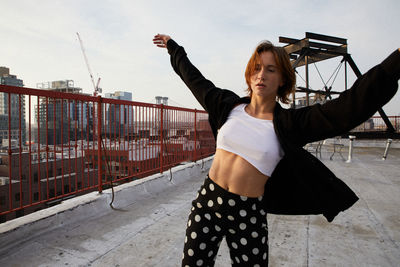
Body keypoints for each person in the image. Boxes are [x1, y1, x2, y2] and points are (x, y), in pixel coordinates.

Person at [153, 33, 400, 267]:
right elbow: (194, 79)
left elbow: (347, 107)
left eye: (271, 70)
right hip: (207, 202)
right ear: (250, 75)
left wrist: (396, 61)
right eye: (257, 68)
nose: (262, 75)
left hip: (247, 212)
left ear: (282, 79)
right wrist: (174, 49)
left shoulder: (290, 124)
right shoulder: (227, 106)